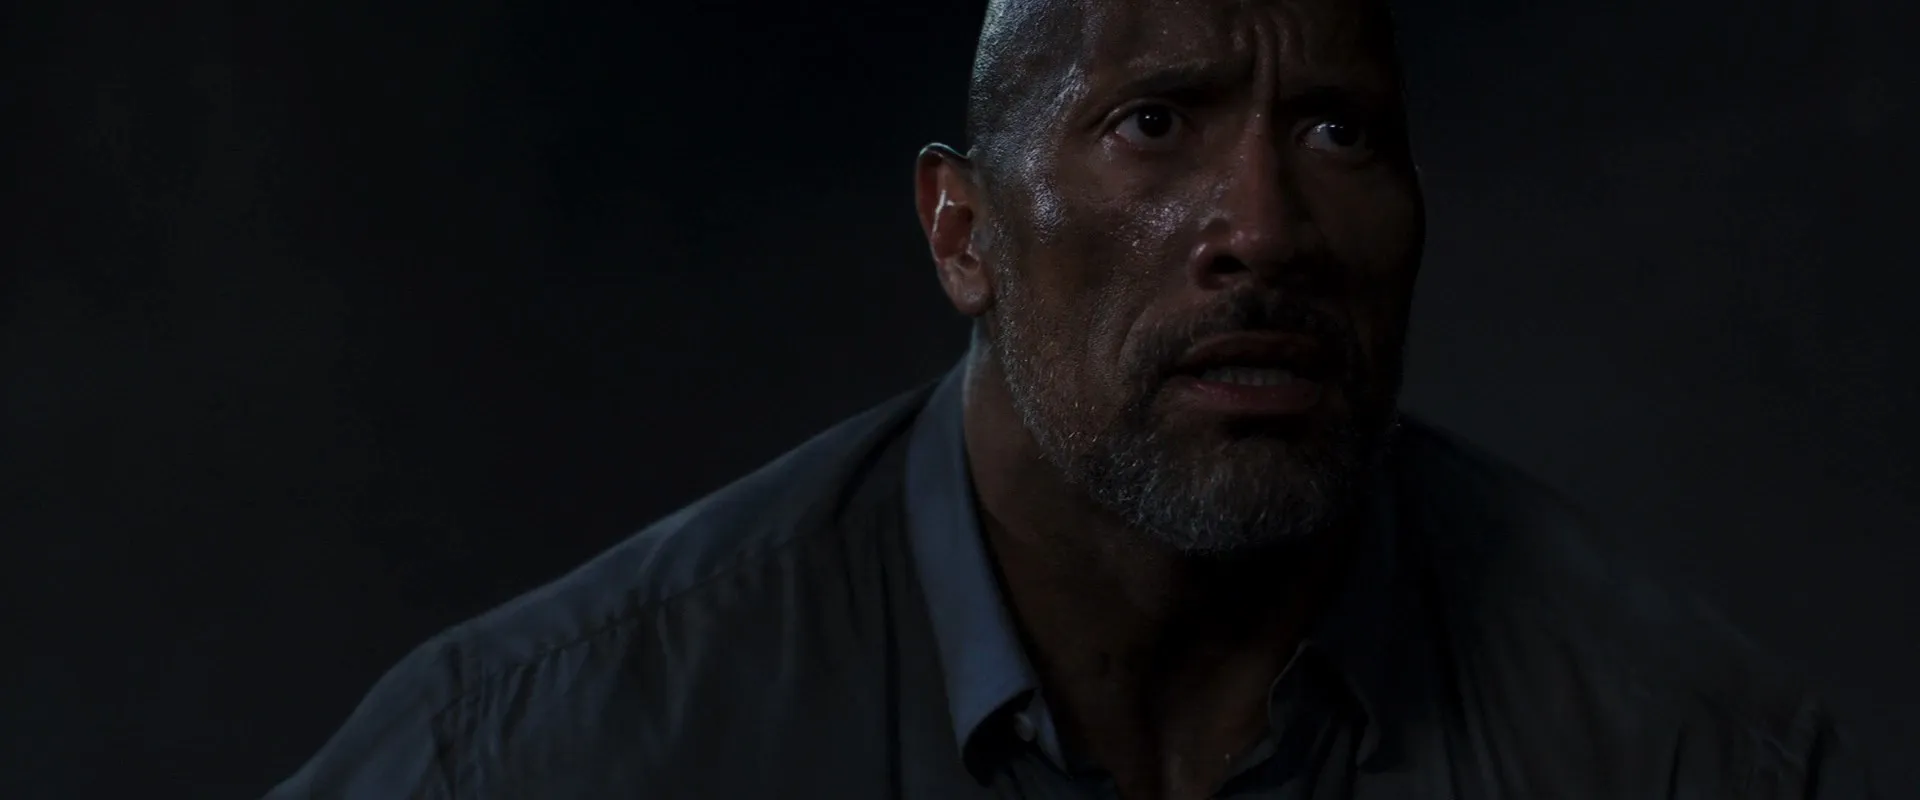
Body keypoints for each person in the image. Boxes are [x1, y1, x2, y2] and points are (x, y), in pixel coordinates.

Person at [266, 0, 1877, 797]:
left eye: (1336, 132)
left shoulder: (1685, 755)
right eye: (1155, 122)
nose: (1266, 230)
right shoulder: (545, 749)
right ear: (962, 231)